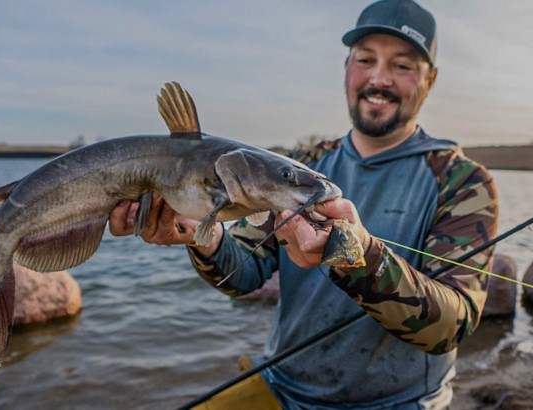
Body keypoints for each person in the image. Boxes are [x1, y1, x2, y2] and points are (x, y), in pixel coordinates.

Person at [109, 0, 499, 408]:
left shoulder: (463, 180)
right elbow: (244, 272)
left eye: (402, 65)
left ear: (430, 79)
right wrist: (201, 237)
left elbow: (452, 326)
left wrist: (357, 258)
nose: (379, 79)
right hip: (281, 385)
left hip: (398, 402)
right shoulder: (303, 164)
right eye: (366, 59)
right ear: (347, 66)